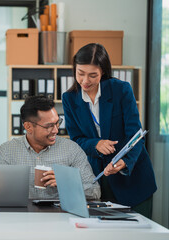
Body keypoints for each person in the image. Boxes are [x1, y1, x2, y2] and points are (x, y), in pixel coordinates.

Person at [62, 43, 157, 217]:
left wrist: (126, 162)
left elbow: (135, 135)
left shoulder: (121, 90)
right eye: (80, 73)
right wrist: (95, 144)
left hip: (132, 178)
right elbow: (76, 139)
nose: (85, 81)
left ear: (103, 72)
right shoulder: (69, 99)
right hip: (99, 179)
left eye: (93, 75)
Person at [0, 96, 100, 200]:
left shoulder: (71, 149)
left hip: (60, 213)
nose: (56, 130)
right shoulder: (6, 151)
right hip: (21, 213)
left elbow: (95, 191)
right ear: (28, 127)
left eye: (57, 123)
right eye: (49, 126)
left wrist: (66, 183)